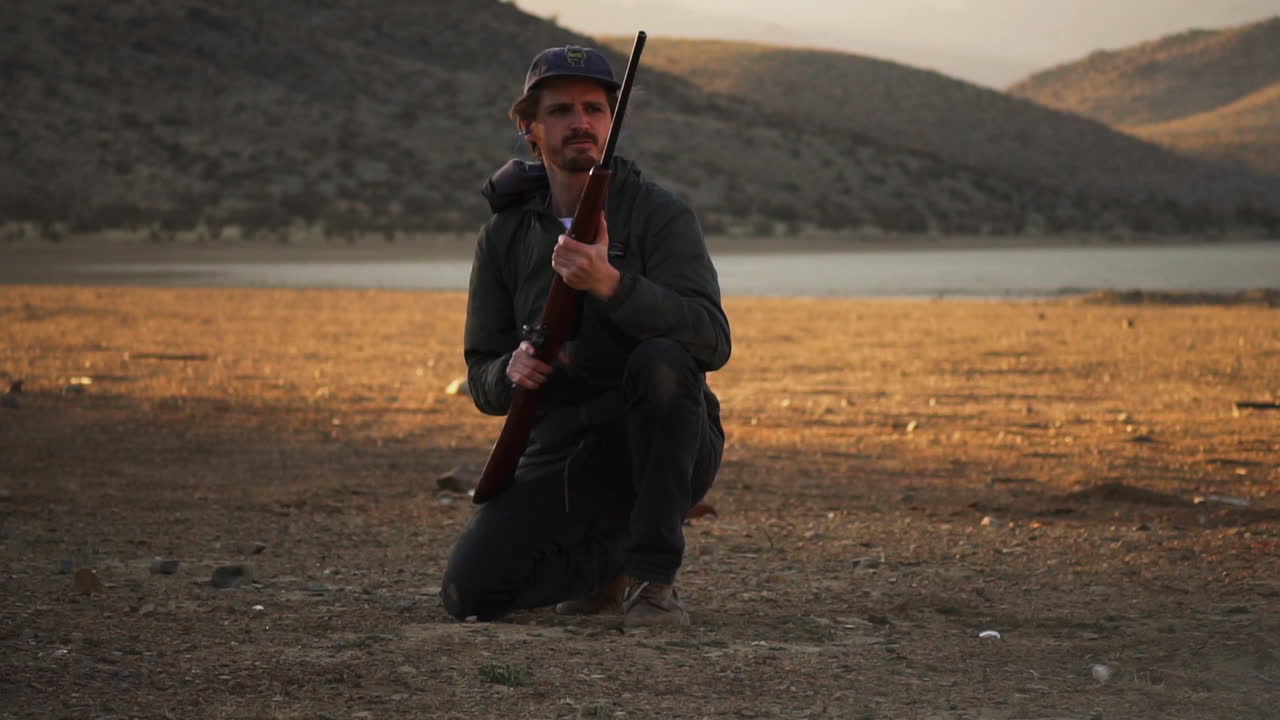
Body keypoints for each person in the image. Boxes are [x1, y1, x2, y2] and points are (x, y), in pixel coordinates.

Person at [440, 45, 731, 627]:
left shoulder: (661, 215)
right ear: (530, 125)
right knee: (470, 596)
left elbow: (711, 340)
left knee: (663, 359)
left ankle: (653, 580)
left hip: (666, 441)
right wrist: (510, 371)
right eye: (562, 110)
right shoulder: (502, 237)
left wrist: (610, 284)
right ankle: (608, 569)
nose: (582, 123)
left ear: (612, 121)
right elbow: (481, 375)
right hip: (563, 454)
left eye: (596, 109)